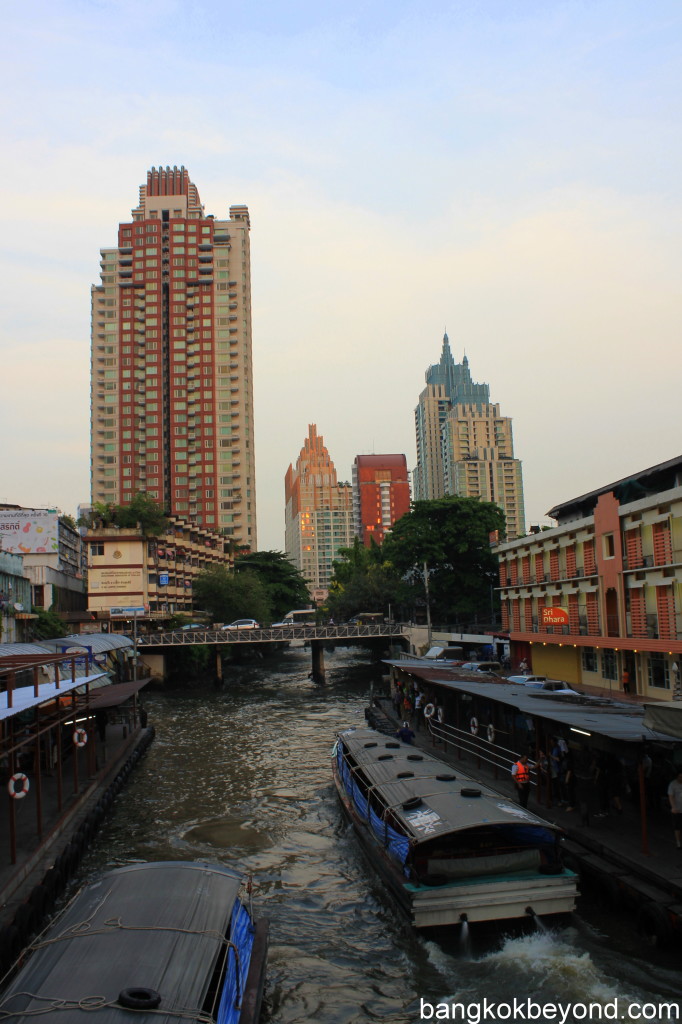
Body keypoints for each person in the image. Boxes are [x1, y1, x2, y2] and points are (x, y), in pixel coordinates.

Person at [667, 769, 682, 849]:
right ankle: (678, 842)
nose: (681, 778)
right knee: (677, 827)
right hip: (677, 810)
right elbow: (671, 796)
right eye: (679, 777)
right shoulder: (673, 784)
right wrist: (673, 807)